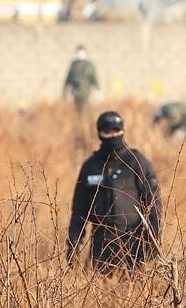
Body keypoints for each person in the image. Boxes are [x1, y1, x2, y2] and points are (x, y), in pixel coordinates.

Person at [67, 111, 161, 271]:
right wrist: (73, 244)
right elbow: (79, 211)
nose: (112, 135)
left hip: (133, 242)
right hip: (100, 243)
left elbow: (154, 205)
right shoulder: (90, 166)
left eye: (116, 131)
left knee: (133, 293)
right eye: (107, 132)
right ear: (99, 133)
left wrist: (152, 243)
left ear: (123, 131)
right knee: (99, 292)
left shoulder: (137, 162)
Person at [62, 46, 99, 113]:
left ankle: (84, 120)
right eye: (78, 51)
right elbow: (69, 77)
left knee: (85, 108)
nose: (80, 53)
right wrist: (65, 90)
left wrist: (97, 88)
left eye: (81, 51)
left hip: (85, 91)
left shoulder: (89, 64)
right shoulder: (74, 64)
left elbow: (93, 77)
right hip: (76, 91)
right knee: (77, 109)